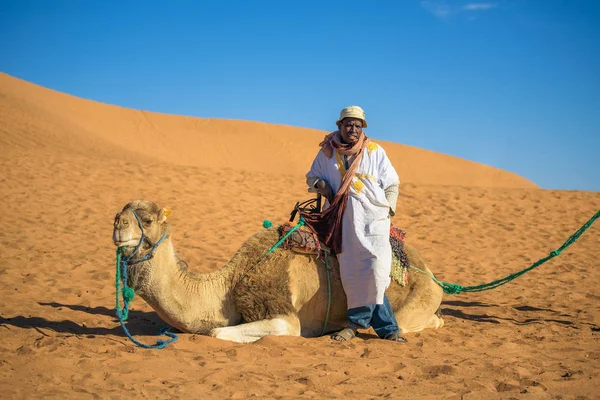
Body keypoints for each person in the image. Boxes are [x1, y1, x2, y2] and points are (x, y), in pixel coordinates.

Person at [303, 105, 406, 343]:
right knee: (353, 274)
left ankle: (357, 325)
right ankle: (387, 329)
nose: (353, 129)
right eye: (349, 124)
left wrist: (388, 209)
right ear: (339, 126)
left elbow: (392, 183)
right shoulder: (327, 152)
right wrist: (321, 186)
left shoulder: (374, 151)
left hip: (374, 220)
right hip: (344, 221)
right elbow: (312, 175)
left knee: (377, 270)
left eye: (358, 126)